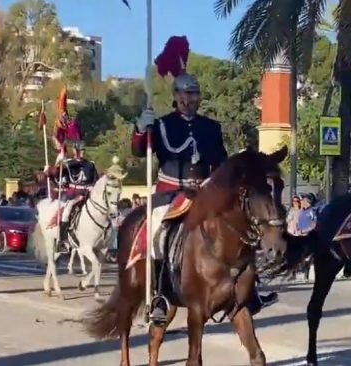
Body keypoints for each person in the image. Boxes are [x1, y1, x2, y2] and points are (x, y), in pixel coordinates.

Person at [132, 35, 273, 324]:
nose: (189, 99)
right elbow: (138, 153)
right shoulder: (161, 125)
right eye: (184, 94)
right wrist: (139, 128)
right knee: (159, 233)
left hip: (205, 191)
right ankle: (159, 294)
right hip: (170, 191)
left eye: (194, 94)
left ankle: (252, 289)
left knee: (241, 224)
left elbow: (219, 161)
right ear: (175, 95)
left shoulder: (211, 127)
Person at [44, 146, 98, 254]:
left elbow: (95, 179)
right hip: (73, 194)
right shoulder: (69, 164)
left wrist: (93, 186)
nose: (82, 152)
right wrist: (49, 170)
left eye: (83, 150)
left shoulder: (90, 164)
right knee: (66, 213)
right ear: (75, 152)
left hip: (88, 194)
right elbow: (56, 173)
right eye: (80, 150)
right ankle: (63, 241)